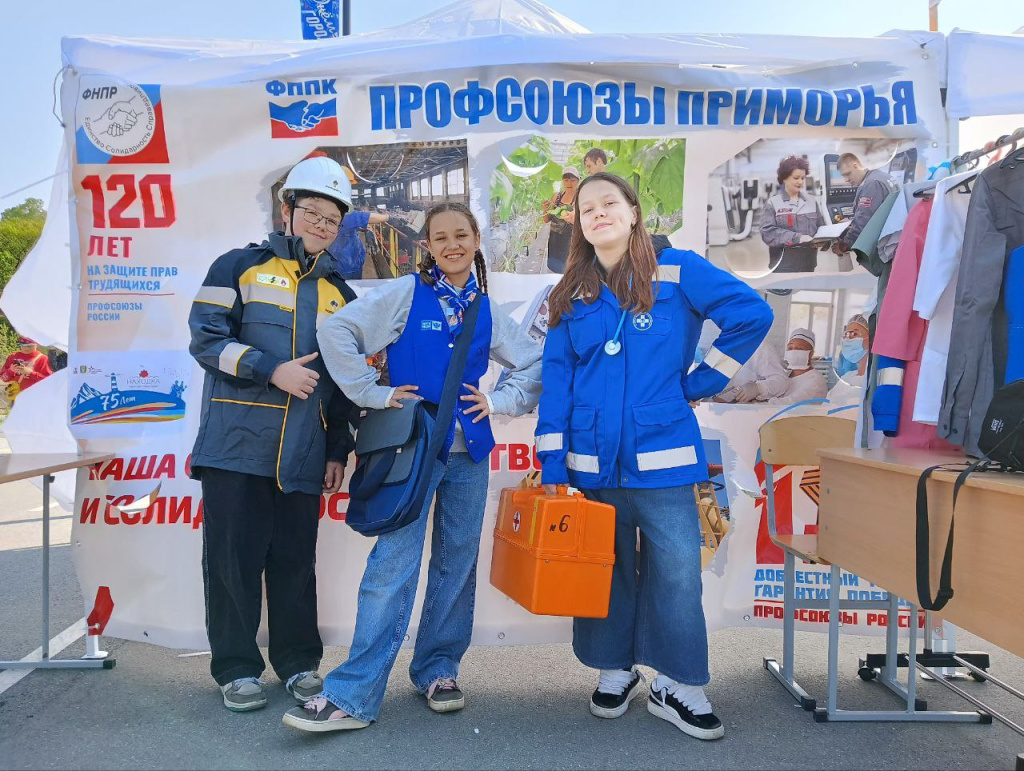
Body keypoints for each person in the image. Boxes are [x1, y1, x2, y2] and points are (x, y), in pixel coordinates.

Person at [285, 201, 542, 733]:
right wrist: (371, 393)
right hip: (411, 453)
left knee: (457, 564)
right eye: (440, 237)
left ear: (475, 242)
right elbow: (336, 333)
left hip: (468, 454)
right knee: (391, 568)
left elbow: (536, 361)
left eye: (461, 236)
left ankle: (438, 668)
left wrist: (501, 400)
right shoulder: (404, 293)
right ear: (427, 246)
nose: (451, 245)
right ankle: (354, 694)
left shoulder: (487, 309)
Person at [535, 172, 773, 741]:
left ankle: (680, 683)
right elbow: (557, 379)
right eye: (585, 208)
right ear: (578, 224)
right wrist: (552, 465)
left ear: (633, 211)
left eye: (608, 203)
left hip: (664, 458)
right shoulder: (570, 292)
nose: (597, 214)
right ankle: (615, 670)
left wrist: (700, 381)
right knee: (605, 572)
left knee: (675, 576)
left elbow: (752, 314)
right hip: (592, 464)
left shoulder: (680, 268)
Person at [187, 155, 360, 713]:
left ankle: (299, 664)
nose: (321, 225)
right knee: (232, 563)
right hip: (236, 448)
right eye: (312, 211)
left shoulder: (341, 295)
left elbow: (341, 384)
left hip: (305, 455)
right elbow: (207, 341)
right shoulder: (237, 266)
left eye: (332, 219)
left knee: (294, 564)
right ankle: (237, 669)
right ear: (288, 210)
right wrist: (271, 369)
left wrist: (338, 449)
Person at [760, 155, 825, 273]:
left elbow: (821, 227)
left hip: (808, 265)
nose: (800, 182)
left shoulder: (811, 201)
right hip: (782, 266)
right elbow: (767, 233)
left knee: (804, 291)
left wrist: (824, 241)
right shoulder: (773, 203)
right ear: (784, 178)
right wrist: (797, 238)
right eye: (796, 178)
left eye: (803, 178)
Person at [832, 153, 899, 257]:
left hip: (887, 246)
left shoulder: (872, 184)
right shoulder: (883, 177)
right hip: (895, 240)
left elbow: (862, 223)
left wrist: (843, 246)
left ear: (856, 166)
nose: (846, 179)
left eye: (848, 174)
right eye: (843, 176)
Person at [711, 338, 788, 403]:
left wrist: (758, 388)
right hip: (713, 410)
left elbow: (780, 381)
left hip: (746, 412)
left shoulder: (760, 347)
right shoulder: (718, 345)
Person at [330, 204, 390, 281]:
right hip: (345, 264)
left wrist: (361, 229)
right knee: (348, 287)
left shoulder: (335, 214)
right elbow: (362, 217)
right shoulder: (342, 216)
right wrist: (388, 217)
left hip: (347, 260)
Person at [541, 166, 580, 274]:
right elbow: (546, 220)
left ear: (578, 181)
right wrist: (545, 209)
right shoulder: (556, 197)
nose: (569, 183)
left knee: (569, 271)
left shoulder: (580, 199)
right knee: (554, 270)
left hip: (571, 242)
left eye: (573, 180)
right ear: (563, 181)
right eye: (566, 180)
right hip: (554, 240)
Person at [0, 336, 53, 409]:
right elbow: (3, 378)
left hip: (35, 399)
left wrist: (30, 373)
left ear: (36, 344)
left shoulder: (43, 359)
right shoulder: (12, 356)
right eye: (22, 345)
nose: (26, 348)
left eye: (29, 346)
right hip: (16, 397)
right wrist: (11, 370)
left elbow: (49, 380)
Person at [778, 328, 827, 402]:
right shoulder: (785, 374)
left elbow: (788, 404)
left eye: (799, 348)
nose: (793, 351)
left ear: (811, 353)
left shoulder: (815, 381)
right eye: (790, 348)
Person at [835, 313, 869, 379]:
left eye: (854, 334)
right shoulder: (847, 378)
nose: (848, 339)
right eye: (846, 334)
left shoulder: (874, 379)